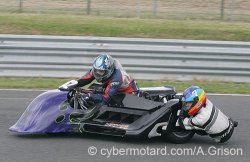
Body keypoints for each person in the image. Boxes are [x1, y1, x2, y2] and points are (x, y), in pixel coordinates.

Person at [75, 53, 139, 104]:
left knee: (106, 104)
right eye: (96, 70)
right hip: (116, 90)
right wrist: (74, 84)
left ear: (109, 70)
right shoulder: (99, 70)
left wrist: (89, 96)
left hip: (129, 94)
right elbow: (85, 79)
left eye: (101, 71)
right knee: (93, 88)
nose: (97, 73)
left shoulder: (116, 79)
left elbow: (105, 99)